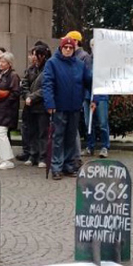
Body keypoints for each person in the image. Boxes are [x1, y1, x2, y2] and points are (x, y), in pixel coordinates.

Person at [43, 36, 91, 180]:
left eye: (71, 48)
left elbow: (88, 81)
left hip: (75, 106)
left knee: (70, 137)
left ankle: (69, 165)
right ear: (61, 48)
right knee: (58, 137)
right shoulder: (52, 63)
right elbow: (48, 84)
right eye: (66, 47)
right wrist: (50, 103)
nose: (68, 50)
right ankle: (56, 167)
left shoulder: (79, 64)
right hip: (59, 107)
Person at [0, 51, 22, 169]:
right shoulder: (0, 74)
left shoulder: (13, 76)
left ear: (10, 63)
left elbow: (15, 93)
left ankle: (8, 160)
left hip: (6, 109)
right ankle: (3, 157)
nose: (1, 63)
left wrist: (4, 100)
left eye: (4, 62)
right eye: (0, 61)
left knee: (2, 133)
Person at [23, 43, 51, 167]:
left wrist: (32, 97)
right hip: (30, 107)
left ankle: (43, 157)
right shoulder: (30, 69)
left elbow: (46, 88)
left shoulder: (48, 69)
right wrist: (27, 96)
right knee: (31, 132)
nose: (33, 57)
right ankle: (32, 154)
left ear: (43, 56)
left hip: (42, 106)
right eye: (33, 54)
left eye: (36, 55)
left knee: (42, 132)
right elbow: (24, 85)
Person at [84, 35, 110, 158]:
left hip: (101, 95)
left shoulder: (105, 61)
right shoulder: (87, 60)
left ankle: (105, 146)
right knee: (88, 122)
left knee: (102, 122)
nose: (95, 48)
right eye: (93, 45)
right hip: (88, 96)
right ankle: (90, 145)